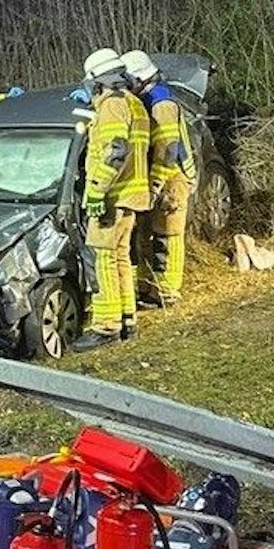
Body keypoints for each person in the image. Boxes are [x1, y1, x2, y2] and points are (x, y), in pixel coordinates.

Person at [71, 48, 152, 354]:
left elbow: (115, 151)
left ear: (97, 79)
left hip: (112, 196)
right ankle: (127, 319)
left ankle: (106, 326)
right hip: (131, 194)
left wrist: (96, 190)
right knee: (120, 258)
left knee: (103, 258)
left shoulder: (112, 105)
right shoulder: (135, 103)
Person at [126, 50, 198, 308]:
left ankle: (167, 292)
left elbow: (167, 151)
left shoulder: (162, 103)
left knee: (167, 235)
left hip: (171, 176)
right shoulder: (145, 99)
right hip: (154, 174)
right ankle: (146, 288)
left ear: (139, 78)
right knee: (145, 234)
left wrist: (155, 186)